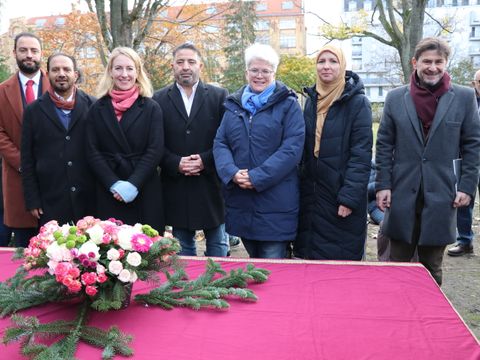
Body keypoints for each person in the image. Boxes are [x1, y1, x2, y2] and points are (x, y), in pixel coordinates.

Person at [376, 37, 480, 286]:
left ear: (446, 63)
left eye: (438, 62)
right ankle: (398, 313)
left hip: (443, 193)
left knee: (432, 265)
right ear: (415, 63)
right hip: (402, 191)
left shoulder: (464, 98)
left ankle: (431, 318)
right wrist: (382, 185)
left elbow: (473, 145)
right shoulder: (395, 98)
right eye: (426, 61)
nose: (432, 67)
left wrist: (466, 187)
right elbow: (384, 145)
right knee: (398, 263)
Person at [213, 43, 305, 259]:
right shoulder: (234, 106)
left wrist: (257, 177)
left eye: (265, 71)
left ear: (274, 73)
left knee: (273, 268)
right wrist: (232, 173)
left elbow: (292, 148)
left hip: (276, 202)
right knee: (254, 265)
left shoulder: (288, 105)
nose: (259, 75)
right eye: (254, 70)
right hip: (242, 202)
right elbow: (220, 142)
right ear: (246, 72)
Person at [293, 44, 373, 261]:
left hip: (340, 196)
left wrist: (349, 198)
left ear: (342, 65)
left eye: (333, 61)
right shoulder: (311, 101)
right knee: (309, 260)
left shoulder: (358, 103)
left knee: (339, 265)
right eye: (321, 61)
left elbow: (361, 155)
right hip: (311, 195)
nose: (326, 66)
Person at [153, 43, 228, 257]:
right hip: (176, 186)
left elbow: (228, 139)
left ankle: (221, 290)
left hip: (211, 185)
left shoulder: (219, 96)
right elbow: (154, 143)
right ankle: (187, 291)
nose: (185, 66)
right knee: (183, 254)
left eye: (191, 62)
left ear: (200, 65)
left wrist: (205, 160)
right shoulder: (157, 99)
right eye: (180, 62)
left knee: (218, 249)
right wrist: (175, 162)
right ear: (172, 66)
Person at [86, 47, 164, 231]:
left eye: (130, 68)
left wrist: (133, 184)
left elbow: (155, 149)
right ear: (110, 72)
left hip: (143, 188)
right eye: (118, 68)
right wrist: (113, 183)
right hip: (108, 191)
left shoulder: (151, 107)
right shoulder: (97, 109)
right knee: (111, 251)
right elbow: (92, 150)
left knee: (147, 251)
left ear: (137, 72)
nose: (124, 74)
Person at [21, 53, 96, 226]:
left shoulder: (93, 105)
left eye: (66, 69)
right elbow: (27, 159)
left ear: (75, 74)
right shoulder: (33, 111)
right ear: (47, 75)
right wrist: (32, 199)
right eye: (55, 70)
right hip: (51, 201)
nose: (61, 73)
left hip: (89, 200)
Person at [0, 32, 49, 247]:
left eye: (34, 50)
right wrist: (24, 164)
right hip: (18, 178)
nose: (29, 55)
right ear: (14, 53)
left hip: (54, 179)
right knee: (23, 252)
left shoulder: (59, 86)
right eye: (23, 50)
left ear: (41, 54)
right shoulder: (2, 91)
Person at [447, 69, 480, 257]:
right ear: (474, 83)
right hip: (467, 160)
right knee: (464, 200)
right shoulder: (465, 101)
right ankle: (465, 241)